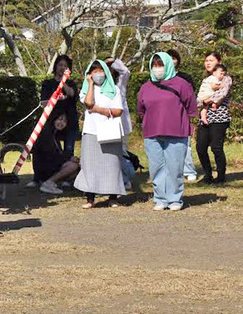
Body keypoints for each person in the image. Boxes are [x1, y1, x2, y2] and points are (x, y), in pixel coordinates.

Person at [137, 52, 197, 211]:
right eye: (154, 66)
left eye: (160, 65)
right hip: (152, 133)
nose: (157, 69)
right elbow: (141, 109)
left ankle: (175, 199)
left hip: (177, 131)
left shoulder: (182, 84)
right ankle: (160, 199)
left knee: (174, 167)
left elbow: (191, 107)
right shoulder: (145, 87)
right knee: (156, 167)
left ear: (169, 65)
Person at [73, 59, 125, 209]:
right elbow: (89, 103)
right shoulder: (85, 89)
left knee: (112, 164)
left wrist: (100, 110)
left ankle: (113, 197)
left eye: (100, 71)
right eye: (94, 72)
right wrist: (89, 84)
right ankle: (90, 198)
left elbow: (118, 111)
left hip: (110, 131)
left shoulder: (114, 89)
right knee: (90, 165)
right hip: (91, 131)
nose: (98, 75)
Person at [195, 53, 232, 184]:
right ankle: (207, 174)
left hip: (219, 116)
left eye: (211, 60)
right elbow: (199, 99)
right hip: (205, 116)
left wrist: (205, 101)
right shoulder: (206, 79)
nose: (208, 63)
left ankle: (221, 176)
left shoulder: (225, 78)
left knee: (216, 147)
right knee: (200, 147)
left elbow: (221, 94)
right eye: (206, 60)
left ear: (219, 62)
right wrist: (202, 102)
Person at [167, 49, 199, 182]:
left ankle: (189, 170)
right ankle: (172, 170)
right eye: (169, 58)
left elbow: (190, 96)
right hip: (166, 115)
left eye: (174, 58)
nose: (172, 61)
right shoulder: (159, 78)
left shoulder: (185, 77)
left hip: (182, 114)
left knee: (185, 143)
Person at [106, 56, 136, 190]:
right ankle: (113, 179)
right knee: (108, 153)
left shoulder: (120, 85)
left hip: (120, 124)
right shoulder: (100, 85)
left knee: (121, 152)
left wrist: (114, 62)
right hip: (105, 124)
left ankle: (125, 179)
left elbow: (126, 72)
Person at [33, 114, 79, 194]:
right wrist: (69, 159)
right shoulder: (46, 134)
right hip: (44, 168)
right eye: (60, 119)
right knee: (73, 166)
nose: (62, 123)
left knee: (77, 169)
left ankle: (55, 183)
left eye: (64, 121)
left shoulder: (55, 134)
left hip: (51, 165)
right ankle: (48, 183)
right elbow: (52, 156)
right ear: (54, 119)